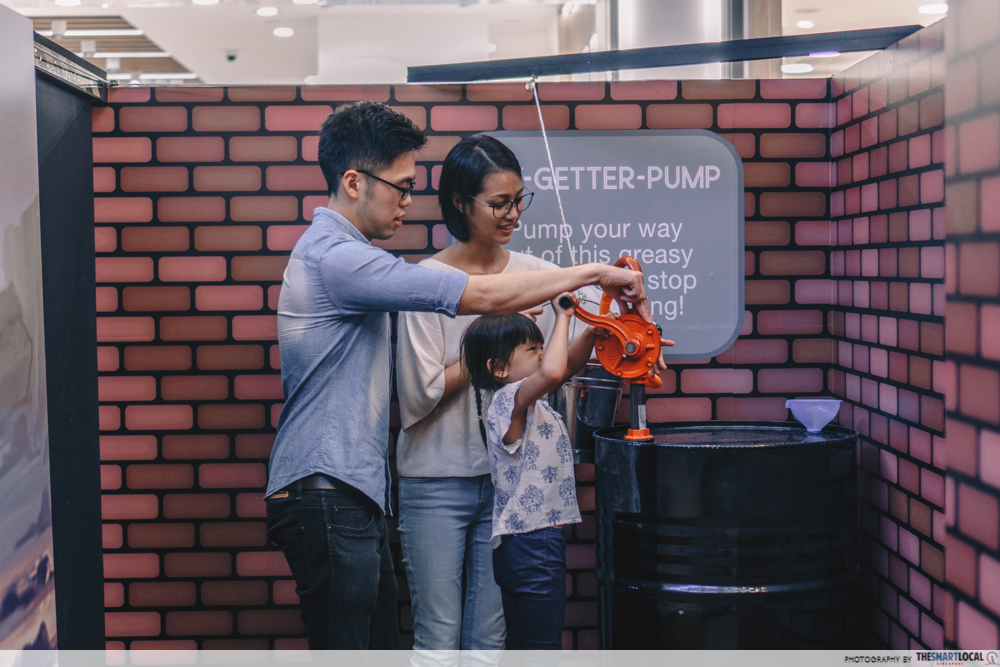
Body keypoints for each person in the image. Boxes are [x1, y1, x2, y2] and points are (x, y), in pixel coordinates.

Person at [263, 101, 653, 650]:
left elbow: (554, 358)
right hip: (328, 489)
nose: (406, 201)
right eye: (400, 186)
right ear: (354, 182)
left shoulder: (349, 255)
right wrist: (593, 271)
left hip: (351, 493)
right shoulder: (338, 259)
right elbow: (478, 296)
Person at [394, 135, 599, 651]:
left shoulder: (533, 273)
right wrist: (493, 332)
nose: (512, 214)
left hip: (508, 483)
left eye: (519, 200)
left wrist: (601, 326)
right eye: (499, 203)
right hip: (435, 482)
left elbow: (560, 368)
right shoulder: (425, 283)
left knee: (489, 639)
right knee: (437, 638)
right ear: (462, 204)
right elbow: (418, 398)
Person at [462, 294, 597, 649]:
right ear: (499, 368)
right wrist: (564, 315)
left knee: (524, 648)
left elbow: (565, 366)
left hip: (519, 543)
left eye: (541, 346)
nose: (542, 354)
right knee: (541, 650)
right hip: (534, 542)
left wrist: (594, 331)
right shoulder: (508, 400)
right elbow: (554, 371)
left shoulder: (524, 400)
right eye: (532, 348)